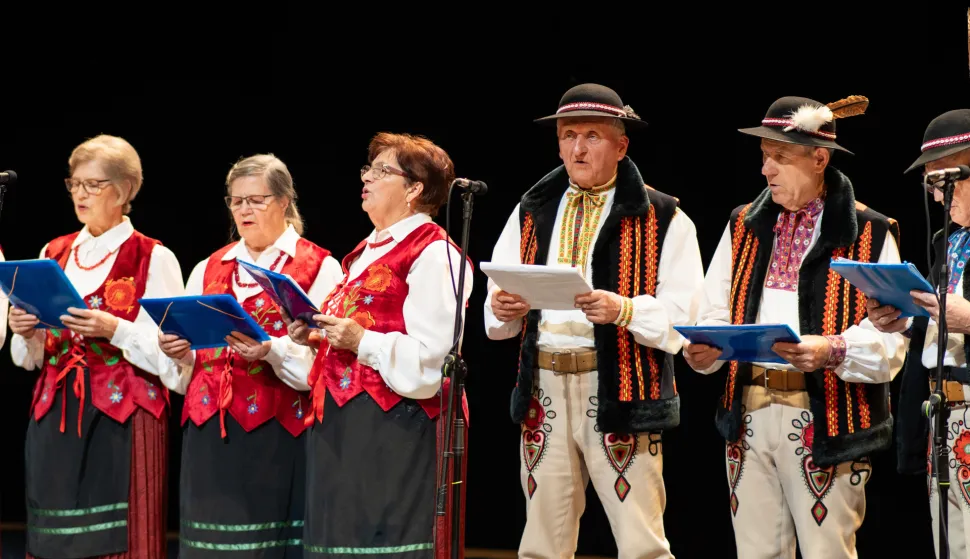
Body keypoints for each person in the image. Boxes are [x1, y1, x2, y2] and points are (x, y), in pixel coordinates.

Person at [483, 83, 704, 559]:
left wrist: (624, 309)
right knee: (542, 538)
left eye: (592, 136)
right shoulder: (533, 209)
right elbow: (497, 293)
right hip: (543, 383)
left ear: (621, 146)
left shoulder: (664, 217)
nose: (577, 148)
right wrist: (501, 308)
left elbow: (687, 317)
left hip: (620, 389)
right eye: (568, 136)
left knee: (641, 540)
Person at [683, 96, 907, 559]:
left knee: (827, 552)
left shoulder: (867, 231)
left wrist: (834, 349)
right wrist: (706, 347)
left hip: (825, 416)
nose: (767, 170)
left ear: (819, 159)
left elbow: (891, 336)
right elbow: (712, 307)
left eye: (780, 157)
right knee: (756, 552)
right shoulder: (744, 223)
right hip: (749, 412)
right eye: (764, 156)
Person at [287, 132, 473, 557]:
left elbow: (432, 360)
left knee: (383, 543)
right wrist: (318, 336)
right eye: (367, 168)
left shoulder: (433, 254)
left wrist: (361, 340)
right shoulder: (364, 253)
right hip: (343, 425)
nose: (367, 177)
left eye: (382, 170)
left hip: (395, 426)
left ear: (414, 189)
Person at [155, 154, 342, 557]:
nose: (244, 210)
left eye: (256, 200)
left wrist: (271, 350)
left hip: (278, 433)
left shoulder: (318, 266)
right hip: (209, 432)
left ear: (284, 201)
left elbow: (329, 361)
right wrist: (177, 350)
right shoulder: (210, 266)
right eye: (236, 201)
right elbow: (184, 364)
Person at [9, 134, 184, 559]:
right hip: (58, 413)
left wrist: (115, 330)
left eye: (93, 184)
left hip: (124, 415)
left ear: (124, 190)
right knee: (53, 538)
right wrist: (26, 331)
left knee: (122, 541)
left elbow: (173, 353)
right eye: (74, 184)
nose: (80, 194)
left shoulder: (152, 257)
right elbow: (30, 358)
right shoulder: (54, 251)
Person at [875, 109, 970, 558]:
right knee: (948, 542)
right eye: (931, 184)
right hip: (943, 413)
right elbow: (942, 322)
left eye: (944, 181)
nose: (937, 197)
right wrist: (907, 319)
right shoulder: (946, 242)